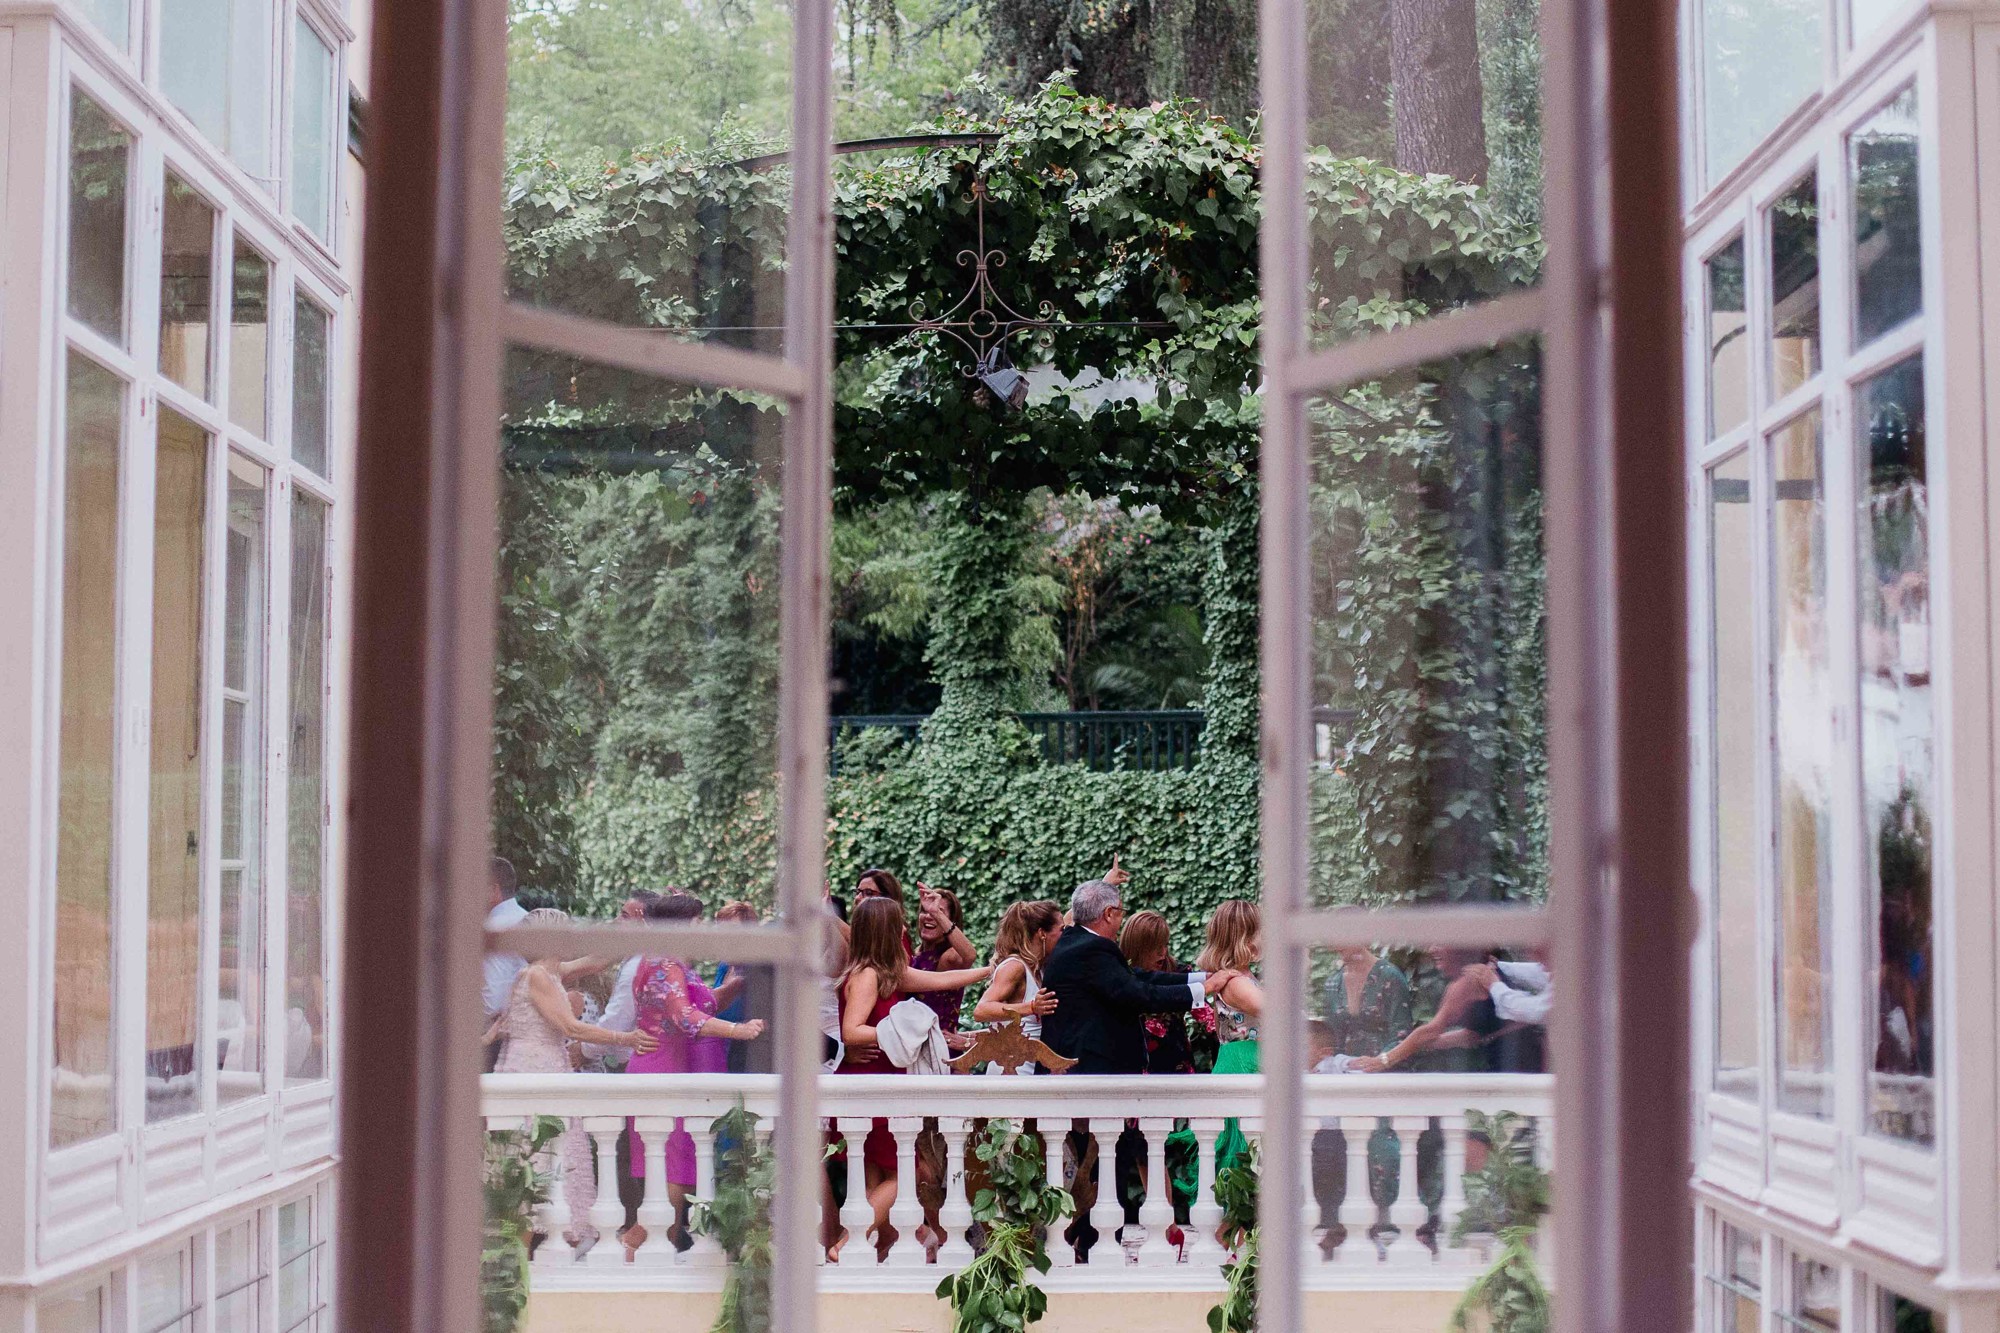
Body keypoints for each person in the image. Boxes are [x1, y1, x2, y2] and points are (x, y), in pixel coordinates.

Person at [490, 908, 658, 1259]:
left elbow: (594, 963)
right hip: (531, 1072)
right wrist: (625, 1038)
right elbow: (571, 1028)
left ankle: (548, 1246)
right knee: (533, 1157)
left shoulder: (551, 971)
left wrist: (635, 935)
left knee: (557, 1153)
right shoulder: (536, 975)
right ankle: (517, 1256)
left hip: (550, 1067)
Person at [834, 897, 993, 1261]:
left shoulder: (887, 971)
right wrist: (902, 1034)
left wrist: (988, 971)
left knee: (878, 1173)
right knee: (909, 1168)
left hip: (884, 1080)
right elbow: (852, 1030)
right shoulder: (866, 976)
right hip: (871, 1083)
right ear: (884, 931)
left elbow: (943, 980)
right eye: (899, 923)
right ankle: (846, 1243)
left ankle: (876, 1249)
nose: (906, 927)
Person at [624, 892, 768, 1259]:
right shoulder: (663, 964)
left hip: (673, 1071)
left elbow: (702, 1004)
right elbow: (685, 1018)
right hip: (660, 1071)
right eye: (697, 922)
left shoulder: (673, 962)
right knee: (672, 1178)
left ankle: (657, 1262)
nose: (702, 929)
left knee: (678, 1174)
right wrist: (739, 1031)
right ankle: (627, 1248)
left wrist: (736, 982)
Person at [1039, 879, 1238, 1074]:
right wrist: (1206, 988)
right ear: (1109, 913)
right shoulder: (1092, 947)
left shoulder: (1076, 941)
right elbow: (1139, 994)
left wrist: (1202, 978)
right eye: (1120, 913)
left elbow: (1136, 976)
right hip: (1087, 1066)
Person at [1196, 900, 1264, 1169]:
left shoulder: (1239, 977)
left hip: (1243, 1061)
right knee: (1247, 1160)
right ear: (1245, 939)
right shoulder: (1236, 982)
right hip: (1245, 1065)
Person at [972, 900, 1064, 1068]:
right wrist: (1031, 1007)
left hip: (1031, 1065)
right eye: (1062, 930)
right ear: (1042, 933)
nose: (1065, 936)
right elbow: (981, 1010)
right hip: (1011, 1070)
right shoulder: (1015, 967)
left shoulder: (1039, 967)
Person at [909, 885, 978, 1033]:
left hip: (939, 1046)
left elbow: (970, 955)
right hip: (909, 1044)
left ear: (951, 921)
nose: (929, 915)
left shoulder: (950, 957)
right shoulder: (915, 953)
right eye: (924, 910)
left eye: (939, 911)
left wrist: (936, 914)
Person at [482, 857, 527, 1071]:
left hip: (492, 1036)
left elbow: (492, 999)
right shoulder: (528, 919)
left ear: (493, 889)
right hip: (523, 1034)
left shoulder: (494, 928)